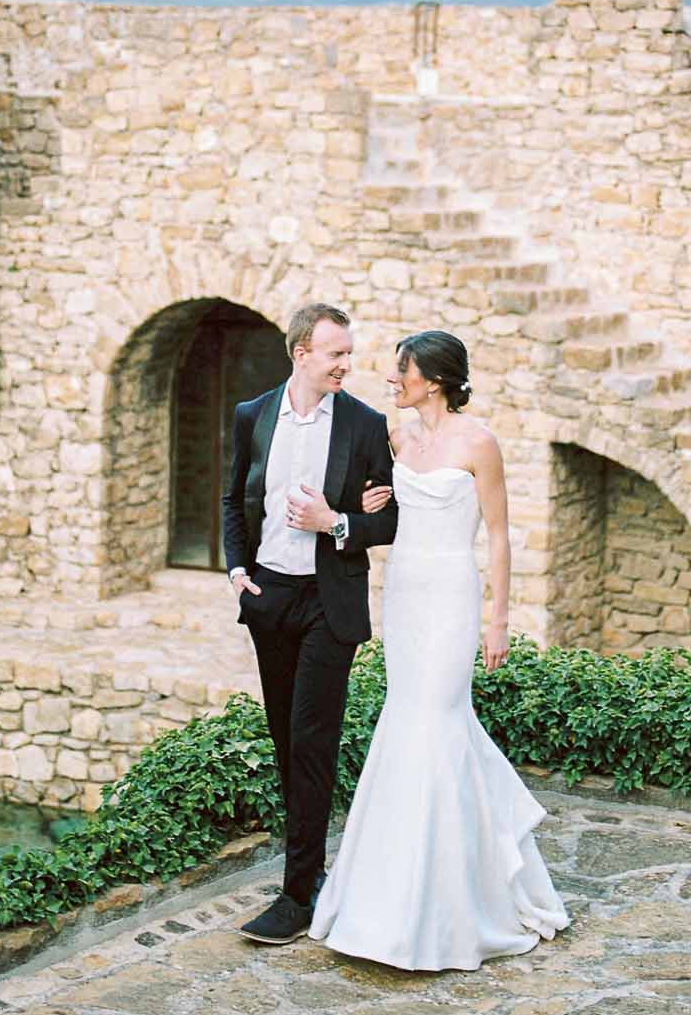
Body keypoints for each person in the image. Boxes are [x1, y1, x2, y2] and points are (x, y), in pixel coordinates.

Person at [309, 329, 568, 970]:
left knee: (440, 719)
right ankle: (389, 897)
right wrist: (371, 503)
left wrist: (498, 619)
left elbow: (501, 538)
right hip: (403, 592)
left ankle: (461, 898)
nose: (392, 380)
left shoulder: (478, 442)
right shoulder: (396, 439)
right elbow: (383, 513)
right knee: (406, 721)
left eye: (404, 371)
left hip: (453, 594)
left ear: (437, 379)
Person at [223, 302, 399, 945]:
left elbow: (390, 519)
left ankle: (297, 896)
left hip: (331, 601)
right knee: (285, 741)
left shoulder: (364, 425)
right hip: (269, 597)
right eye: (336, 355)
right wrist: (237, 567)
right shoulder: (253, 415)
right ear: (302, 354)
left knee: (312, 741)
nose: (347, 365)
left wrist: (338, 522)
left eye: (348, 354)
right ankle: (312, 872)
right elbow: (233, 496)